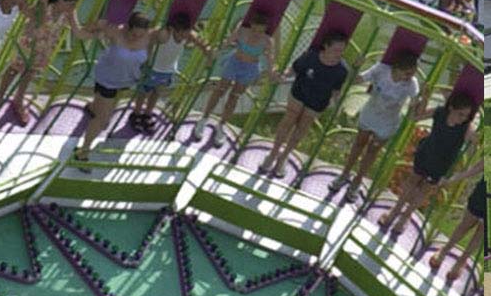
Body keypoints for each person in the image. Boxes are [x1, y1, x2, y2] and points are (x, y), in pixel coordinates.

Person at [377, 91, 478, 238]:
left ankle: (405, 217)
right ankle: (394, 211)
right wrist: (424, 98)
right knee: (412, 181)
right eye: (460, 114)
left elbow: (473, 142)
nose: (463, 119)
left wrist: (474, 137)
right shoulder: (440, 113)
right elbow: (417, 116)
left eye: (466, 116)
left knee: (424, 190)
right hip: (426, 153)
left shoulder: (465, 127)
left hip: (441, 163)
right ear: (451, 108)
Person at [328, 51, 422, 203]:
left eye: (412, 74)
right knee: (358, 144)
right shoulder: (381, 70)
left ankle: (357, 183)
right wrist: (356, 67)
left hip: (387, 123)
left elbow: (415, 105)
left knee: (372, 151)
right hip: (370, 115)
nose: (409, 77)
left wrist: (417, 102)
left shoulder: (412, 84)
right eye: (407, 73)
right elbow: (356, 80)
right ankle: (344, 175)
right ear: (397, 68)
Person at [0, 0, 82, 126]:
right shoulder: (45, 7)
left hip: (44, 49)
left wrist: (96, 31)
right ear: (60, 0)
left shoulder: (68, 13)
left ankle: (19, 99)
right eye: (71, 3)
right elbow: (33, 16)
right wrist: (37, 3)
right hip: (29, 46)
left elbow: (78, 31)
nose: (73, 7)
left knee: (30, 73)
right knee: (13, 70)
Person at [259, 32, 350, 178]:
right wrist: (282, 76)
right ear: (326, 46)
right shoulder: (311, 56)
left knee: (302, 128)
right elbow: (293, 70)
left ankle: (283, 158)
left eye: (341, 51)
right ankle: (273, 153)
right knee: (288, 120)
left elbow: (336, 91)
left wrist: (338, 107)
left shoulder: (342, 70)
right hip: (300, 92)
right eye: (335, 50)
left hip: (318, 101)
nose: (338, 54)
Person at [73, 12, 153, 167]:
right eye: (133, 34)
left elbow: (172, 33)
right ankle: (83, 151)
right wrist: (96, 23)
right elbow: (82, 33)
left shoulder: (150, 37)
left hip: (126, 81)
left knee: (102, 112)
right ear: (128, 28)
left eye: (139, 35)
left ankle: (93, 108)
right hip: (107, 80)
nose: (135, 38)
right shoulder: (115, 32)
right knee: (102, 121)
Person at [193, 11, 277, 147]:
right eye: (254, 29)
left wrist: (272, 71)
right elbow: (226, 43)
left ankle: (222, 125)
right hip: (235, 62)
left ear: (265, 30)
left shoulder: (267, 41)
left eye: (260, 31)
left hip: (249, 68)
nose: (256, 33)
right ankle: (204, 119)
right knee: (219, 90)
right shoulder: (242, 32)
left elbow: (270, 59)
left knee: (234, 96)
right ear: (251, 25)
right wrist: (214, 53)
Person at [130, 12, 212, 134]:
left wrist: (208, 52)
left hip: (167, 70)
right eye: (181, 33)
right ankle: (136, 113)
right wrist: (146, 56)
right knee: (144, 92)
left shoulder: (187, 34)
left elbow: (201, 42)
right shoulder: (164, 35)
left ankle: (147, 113)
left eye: (186, 33)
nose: (184, 36)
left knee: (157, 92)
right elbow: (150, 36)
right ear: (173, 29)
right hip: (153, 68)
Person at [427, 159, 484, 282]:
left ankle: (461, 261)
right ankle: (444, 250)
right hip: (484, 191)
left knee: (481, 234)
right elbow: (481, 165)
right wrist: (457, 178)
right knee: (465, 224)